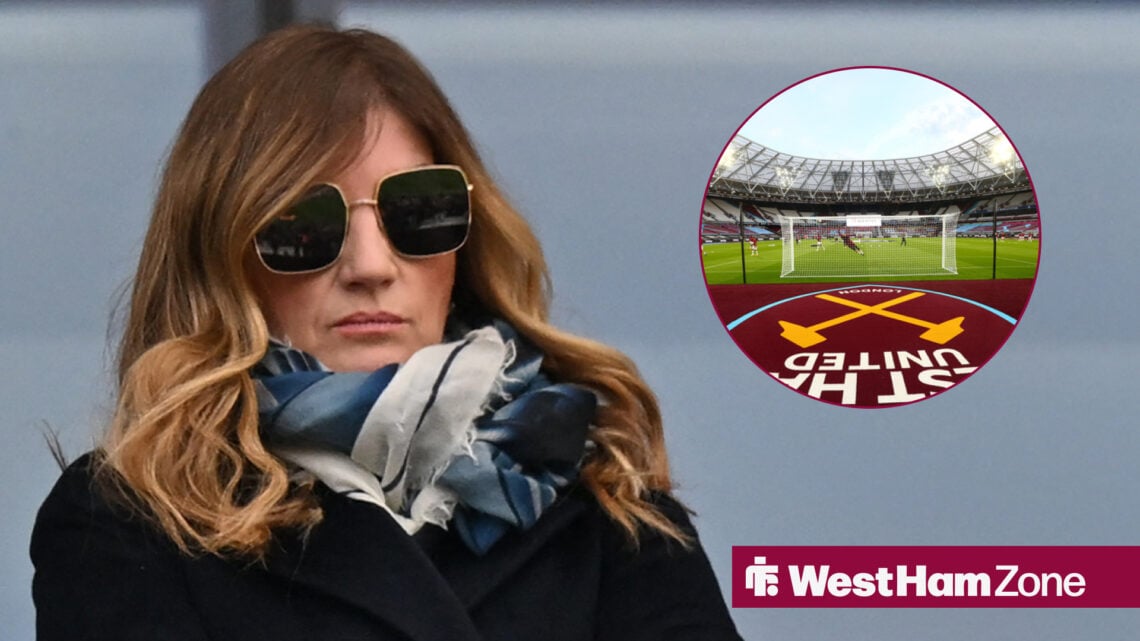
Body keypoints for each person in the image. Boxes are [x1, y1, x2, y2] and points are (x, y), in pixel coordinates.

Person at [30, 25, 742, 641]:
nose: (371, 266)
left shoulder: (605, 506)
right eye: (306, 223)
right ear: (222, 257)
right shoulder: (131, 523)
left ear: (464, 243)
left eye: (417, 211)